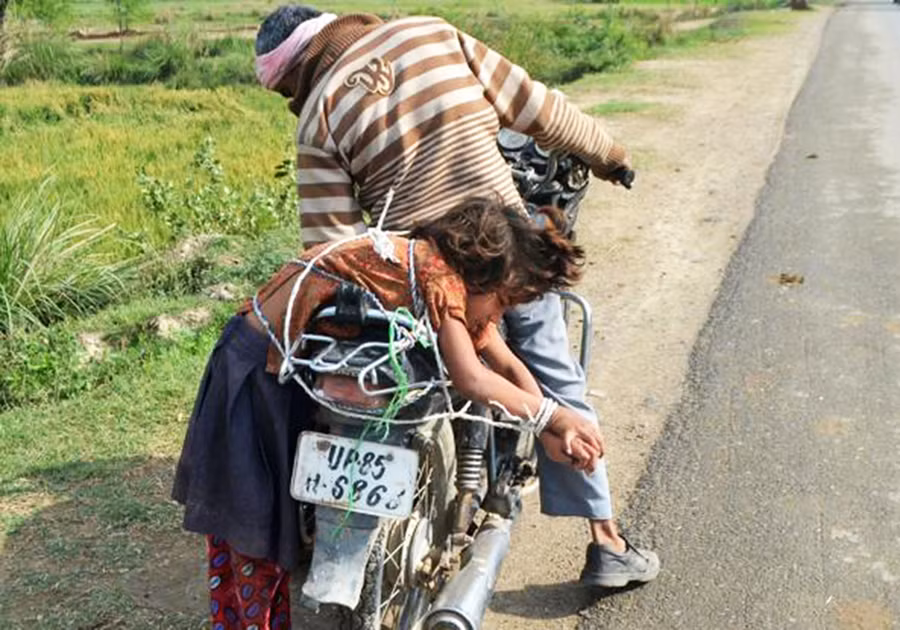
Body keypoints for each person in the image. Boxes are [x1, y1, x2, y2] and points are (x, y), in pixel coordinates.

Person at [254, 5, 660, 588]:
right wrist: (610, 154)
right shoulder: (430, 35)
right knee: (549, 365)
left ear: (295, 75)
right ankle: (606, 540)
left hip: (420, 280)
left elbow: (334, 251)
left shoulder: (317, 117)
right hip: (505, 256)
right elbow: (538, 110)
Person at [173, 199, 608, 628]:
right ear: (484, 276)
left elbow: (508, 364)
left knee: (272, 532)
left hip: (286, 375)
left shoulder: (437, 271)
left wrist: (549, 428)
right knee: (250, 532)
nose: (496, 316)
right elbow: (473, 378)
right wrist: (553, 416)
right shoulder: (439, 278)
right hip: (251, 372)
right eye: (501, 303)